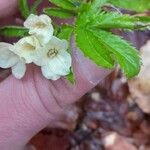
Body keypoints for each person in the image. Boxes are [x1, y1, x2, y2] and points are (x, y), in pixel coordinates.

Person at [0, 0, 110, 149]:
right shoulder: (37, 55)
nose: (52, 51)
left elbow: (60, 45)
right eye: (38, 26)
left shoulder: (56, 43)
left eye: (41, 25)